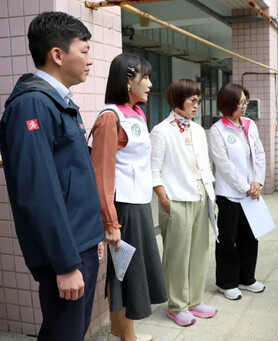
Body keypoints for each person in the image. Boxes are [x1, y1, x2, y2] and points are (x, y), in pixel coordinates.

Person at [0, 12, 104, 341]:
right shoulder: (32, 106)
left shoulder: (58, 103)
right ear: (57, 55)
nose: (90, 59)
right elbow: (39, 193)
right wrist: (65, 264)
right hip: (67, 253)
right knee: (64, 334)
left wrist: (94, 236)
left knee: (71, 331)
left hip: (79, 244)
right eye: (84, 50)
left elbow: (71, 177)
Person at [90, 53, 167, 341]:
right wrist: (111, 221)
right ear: (127, 80)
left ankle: (120, 333)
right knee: (124, 274)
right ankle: (127, 336)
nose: (149, 83)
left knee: (127, 272)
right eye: (143, 77)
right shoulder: (111, 117)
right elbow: (102, 175)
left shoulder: (137, 113)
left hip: (139, 204)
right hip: (123, 208)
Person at [150, 79, 218, 327]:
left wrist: (212, 194)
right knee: (177, 255)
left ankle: (195, 302)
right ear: (178, 100)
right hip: (176, 198)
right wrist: (165, 200)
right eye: (193, 100)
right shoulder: (161, 130)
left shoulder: (198, 130)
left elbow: (205, 164)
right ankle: (177, 306)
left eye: (198, 101)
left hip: (201, 194)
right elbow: (153, 170)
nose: (196, 105)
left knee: (199, 251)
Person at [209, 83, 266, 300]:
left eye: (245, 102)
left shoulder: (250, 125)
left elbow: (259, 155)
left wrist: (258, 182)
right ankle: (227, 281)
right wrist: (245, 187)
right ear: (227, 104)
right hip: (229, 195)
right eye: (240, 102)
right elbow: (223, 165)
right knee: (228, 239)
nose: (244, 106)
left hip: (252, 193)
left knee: (250, 237)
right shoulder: (217, 130)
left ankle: (246, 278)